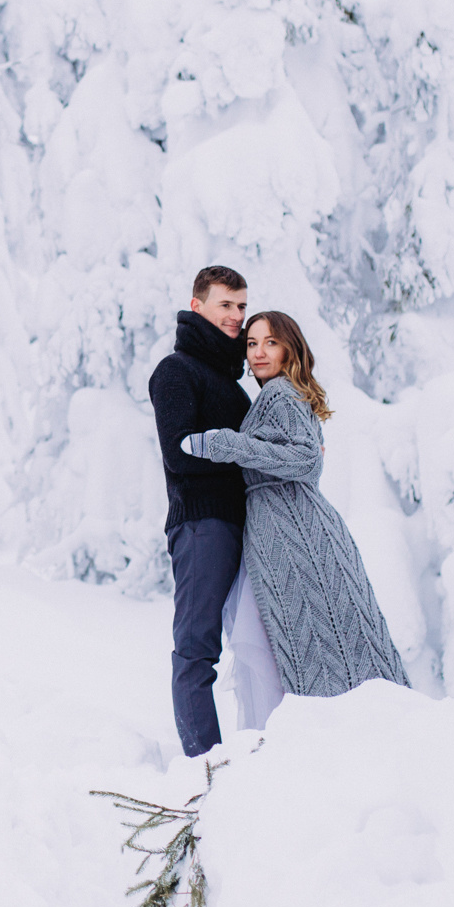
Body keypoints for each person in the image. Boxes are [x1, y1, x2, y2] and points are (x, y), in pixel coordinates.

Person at [183, 311, 410, 703]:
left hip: (296, 535)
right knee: (306, 639)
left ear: (290, 347)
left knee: (303, 639)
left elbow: (307, 459)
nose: (258, 353)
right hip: (289, 531)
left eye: (270, 342)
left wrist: (226, 445)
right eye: (251, 343)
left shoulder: (281, 393)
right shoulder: (277, 395)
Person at [148, 265, 252, 759]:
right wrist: (248, 450)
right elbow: (179, 452)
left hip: (241, 526)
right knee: (196, 652)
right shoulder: (177, 371)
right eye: (225, 305)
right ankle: (205, 768)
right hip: (202, 525)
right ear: (198, 307)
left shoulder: (231, 385)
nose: (236, 317)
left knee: (253, 645)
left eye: (241, 307)